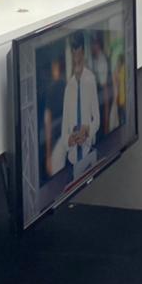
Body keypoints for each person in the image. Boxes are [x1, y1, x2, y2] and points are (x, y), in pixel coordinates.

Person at [55, 33, 100, 179]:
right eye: (74, 55)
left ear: (83, 54)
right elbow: (64, 132)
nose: (77, 59)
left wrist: (87, 130)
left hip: (88, 154)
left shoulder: (91, 80)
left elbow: (97, 119)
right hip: (72, 160)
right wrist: (69, 140)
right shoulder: (68, 88)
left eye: (79, 54)